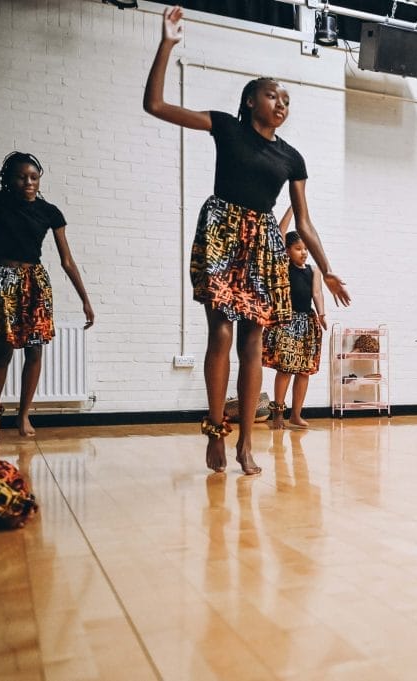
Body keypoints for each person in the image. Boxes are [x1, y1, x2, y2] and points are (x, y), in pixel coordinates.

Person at [144, 5, 350, 474]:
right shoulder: (226, 127)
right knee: (220, 329)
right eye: (272, 96)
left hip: (262, 243)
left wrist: (328, 267)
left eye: (286, 99)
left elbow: (305, 221)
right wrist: (167, 44)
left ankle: (246, 444)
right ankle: (216, 434)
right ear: (251, 100)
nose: (281, 103)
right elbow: (154, 106)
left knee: (253, 341)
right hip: (221, 231)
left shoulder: (292, 158)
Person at [0, 152, 95, 442]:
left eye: (33, 177)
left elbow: (67, 261)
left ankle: (23, 415)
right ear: (9, 180)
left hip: (34, 285)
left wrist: (85, 299)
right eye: (22, 177)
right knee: (3, 352)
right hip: (3, 281)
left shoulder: (50, 212)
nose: (28, 182)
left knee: (35, 351)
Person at [264, 207, 326, 429]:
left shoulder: (313, 271)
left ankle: (296, 414)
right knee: (285, 369)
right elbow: (279, 233)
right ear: (287, 251)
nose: (304, 253)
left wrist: (322, 314)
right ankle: (278, 413)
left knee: (304, 371)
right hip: (287, 322)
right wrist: (294, 206)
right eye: (298, 249)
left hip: (306, 323)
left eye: (306, 249)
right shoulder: (282, 265)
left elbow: (317, 293)